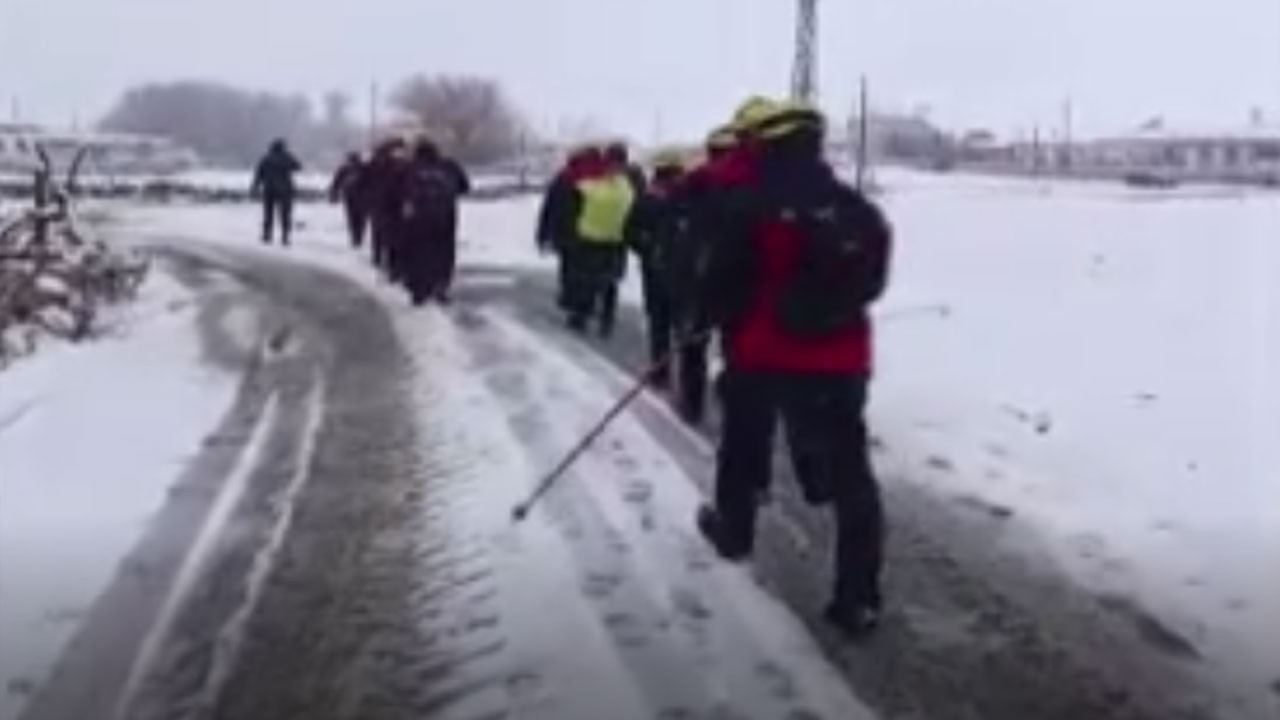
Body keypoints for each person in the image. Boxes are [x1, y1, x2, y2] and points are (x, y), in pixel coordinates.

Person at [695, 98, 894, 637]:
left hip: (762, 356)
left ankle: (734, 531)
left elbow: (719, 282)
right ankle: (858, 596)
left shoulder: (747, 203)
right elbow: (873, 283)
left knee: (742, 448)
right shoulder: (854, 207)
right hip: (841, 359)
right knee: (853, 474)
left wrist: (708, 316)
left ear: (762, 143)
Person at [625, 149, 689, 386]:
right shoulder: (689, 199)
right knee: (681, 325)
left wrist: (647, 249)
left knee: (660, 323)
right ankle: (688, 381)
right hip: (682, 271)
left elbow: (629, 233)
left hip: (656, 270)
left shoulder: (646, 199)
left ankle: (661, 371)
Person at [556, 147, 635, 335]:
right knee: (605, 282)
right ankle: (601, 319)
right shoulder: (626, 185)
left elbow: (573, 198)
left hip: (595, 239)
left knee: (594, 281)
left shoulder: (593, 184)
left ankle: (586, 317)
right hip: (611, 240)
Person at [399, 138, 471, 305]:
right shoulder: (449, 166)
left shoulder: (410, 168)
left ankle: (419, 290)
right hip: (446, 217)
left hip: (417, 219)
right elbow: (464, 187)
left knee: (418, 252)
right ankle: (441, 285)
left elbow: (395, 191)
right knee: (444, 252)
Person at [538, 145, 596, 311]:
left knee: (569, 265)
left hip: (565, 229)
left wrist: (543, 233)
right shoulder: (596, 179)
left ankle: (570, 296)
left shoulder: (564, 177)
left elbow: (550, 206)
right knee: (587, 267)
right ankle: (586, 299)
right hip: (590, 230)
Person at [365, 138, 410, 280]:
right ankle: (393, 267)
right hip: (390, 204)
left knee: (383, 233)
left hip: (382, 203)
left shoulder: (377, 162)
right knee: (393, 236)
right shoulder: (394, 164)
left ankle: (384, 261)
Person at [251, 139, 301, 246]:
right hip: (285, 189)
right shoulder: (287, 157)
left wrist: (254, 187)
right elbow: (298, 166)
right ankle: (285, 236)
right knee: (285, 214)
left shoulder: (266, 159)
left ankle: (267, 235)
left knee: (268, 213)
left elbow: (259, 174)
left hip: (269, 189)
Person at [329, 152, 370, 248]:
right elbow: (336, 183)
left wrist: (334, 194)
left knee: (355, 219)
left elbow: (336, 183)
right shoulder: (362, 169)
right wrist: (334, 194)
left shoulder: (348, 169)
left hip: (355, 197)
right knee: (358, 219)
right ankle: (357, 238)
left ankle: (356, 238)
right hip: (357, 198)